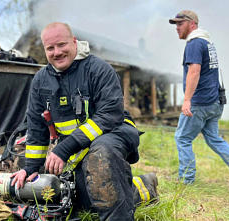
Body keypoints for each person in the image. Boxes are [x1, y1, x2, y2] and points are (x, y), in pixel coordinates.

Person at [10, 22, 158, 220]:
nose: (57, 52)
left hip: (113, 134)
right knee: (83, 196)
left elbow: (110, 114)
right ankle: (142, 186)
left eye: (62, 45)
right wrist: (30, 168)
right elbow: (37, 129)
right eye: (50, 48)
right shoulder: (40, 81)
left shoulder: (98, 69)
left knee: (101, 157)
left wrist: (64, 148)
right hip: (78, 151)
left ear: (74, 42)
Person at [169, 10, 229, 184]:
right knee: (214, 138)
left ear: (192, 23)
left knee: (182, 138)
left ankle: (186, 180)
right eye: (176, 24)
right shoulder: (207, 43)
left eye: (180, 23)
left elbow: (194, 71)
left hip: (200, 103)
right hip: (215, 101)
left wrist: (187, 100)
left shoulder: (194, 43)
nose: (177, 28)